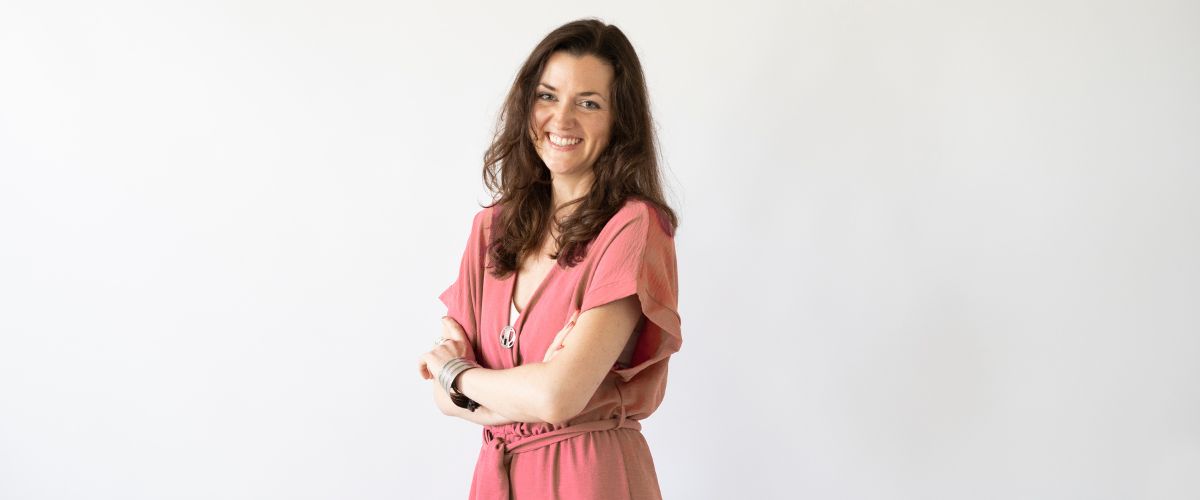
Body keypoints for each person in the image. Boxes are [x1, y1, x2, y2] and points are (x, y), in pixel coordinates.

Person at [417, 18, 682, 500]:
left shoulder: (632, 227)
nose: (562, 119)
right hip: (496, 478)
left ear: (619, 121)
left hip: (590, 478)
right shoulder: (490, 230)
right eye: (547, 96)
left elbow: (557, 396)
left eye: (588, 103)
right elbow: (442, 398)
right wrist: (527, 390)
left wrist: (461, 375)